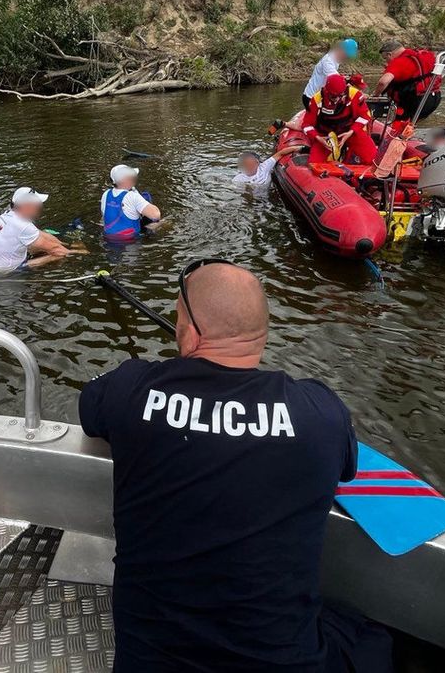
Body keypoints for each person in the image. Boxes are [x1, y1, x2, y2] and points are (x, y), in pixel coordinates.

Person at [80, 260, 388, 672]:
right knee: (374, 639)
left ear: (190, 332)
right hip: (281, 662)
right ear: (261, 333)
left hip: (149, 662)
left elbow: (90, 407)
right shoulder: (319, 412)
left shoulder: (132, 390)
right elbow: (347, 466)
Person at [287, 73, 378, 165]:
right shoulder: (317, 100)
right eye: (334, 97)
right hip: (326, 136)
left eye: (341, 95)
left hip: (350, 132)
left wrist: (351, 132)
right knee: (315, 165)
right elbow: (306, 125)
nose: (337, 99)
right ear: (326, 91)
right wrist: (318, 138)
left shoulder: (354, 95)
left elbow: (364, 116)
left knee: (373, 159)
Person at [0, 187, 78, 272]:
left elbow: (41, 234)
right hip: (6, 271)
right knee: (59, 255)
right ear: (27, 206)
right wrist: (75, 253)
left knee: (40, 244)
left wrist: (63, 244)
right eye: (37, 205)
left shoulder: (8, 216)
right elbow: (56, 250)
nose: (40, 208)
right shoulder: (24, 226)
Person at [374, 40, 442, 127]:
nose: (387, 62)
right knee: (411, 123)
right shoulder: (423, 55)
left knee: (399, 122)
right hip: (434, 97)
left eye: (385, 58)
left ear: (389, 54)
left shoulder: (399, 62)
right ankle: (408, 135)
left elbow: (383, 82)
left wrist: (375, 96)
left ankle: (397, 137)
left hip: (416, 100)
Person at [102, 164, 161, 240]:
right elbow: (155, 215)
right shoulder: (132, 196)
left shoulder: (106, 194)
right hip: (129, 242)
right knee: (164, 222)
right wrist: (147, 202)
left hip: (108, 238)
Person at [303, 38, 358, 106]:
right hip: (311, 98)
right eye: (346, 55)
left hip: (321, 97)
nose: (347, 58)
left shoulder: (336, 57)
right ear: (341, 49)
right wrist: (357, 93)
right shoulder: (328, 62)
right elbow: (338, 82)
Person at [233, 145, 302, 188]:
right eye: (247, 164)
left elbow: (280, 153)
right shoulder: (238, 179)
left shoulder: (264, 167)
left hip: (264, 200)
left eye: (251, 163)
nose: (249, 166)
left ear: (257, 163)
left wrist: (300, 148)